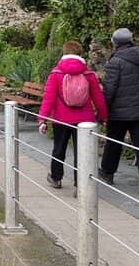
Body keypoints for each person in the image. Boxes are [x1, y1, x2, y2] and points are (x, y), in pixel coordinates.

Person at [38, 42, 108, 190]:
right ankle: (80, 185)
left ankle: (56, 178)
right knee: (82, 153)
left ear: (64, 53)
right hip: (85, 120)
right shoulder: (88, 74)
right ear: (80, 54)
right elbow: (99, 99)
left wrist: (42, 119)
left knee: (59, 149)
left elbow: (48, 98)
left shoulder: (56, 74)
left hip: (61, 118)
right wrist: (103, 117)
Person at [99, 28, 139, 196]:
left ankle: (107, 172)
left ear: (115, 42)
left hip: (119, 111)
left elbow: (109, 89)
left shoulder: (116, 61)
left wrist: (103, 110)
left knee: (113, 143)